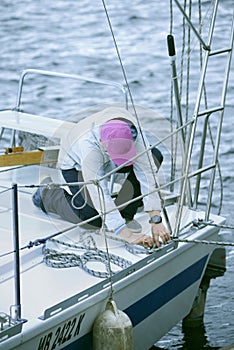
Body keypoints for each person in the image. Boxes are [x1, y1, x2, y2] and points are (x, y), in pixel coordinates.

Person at [33, 107, 170, 247]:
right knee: (91, 218)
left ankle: (125, 213)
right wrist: (127, 235)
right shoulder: (88, 146)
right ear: (101, 142)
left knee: (154, 156)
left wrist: (156, 219)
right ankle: (46, 194)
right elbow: (99, 193)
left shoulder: (132, 131)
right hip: (74, 164)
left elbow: (147, 172)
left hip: (111, 154)